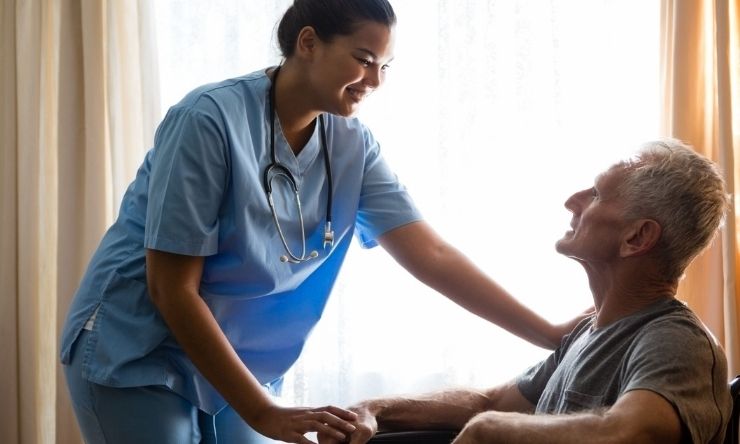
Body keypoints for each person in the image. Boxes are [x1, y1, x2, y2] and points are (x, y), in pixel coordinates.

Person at [59, 1, 584, 443]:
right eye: (364, 59)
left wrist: (549, 334)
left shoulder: (353, 145)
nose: (375, 80)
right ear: (308, 42)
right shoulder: (207, 120)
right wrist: (263, 413)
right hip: (140, 345)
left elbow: (433, 256)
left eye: (385, 65)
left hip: (234, 357)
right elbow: (170, 288)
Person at [327, 140, 734, 444]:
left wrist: (491, 431)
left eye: (596, 194)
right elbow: (487, 404)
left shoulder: (674, 340)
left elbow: (634, 430)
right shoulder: (588, 332)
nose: (571, 202)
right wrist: (375, 409)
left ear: (637, 237)